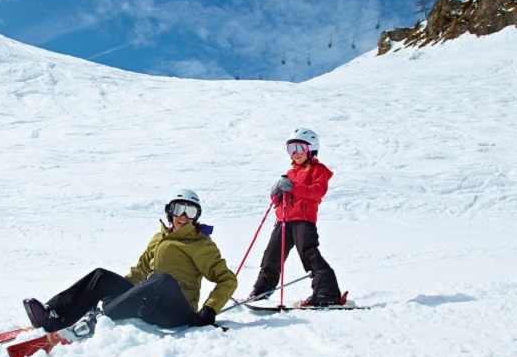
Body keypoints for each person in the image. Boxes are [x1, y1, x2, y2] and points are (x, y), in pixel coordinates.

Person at [24, 189, 237, 333]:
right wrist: (115, 292)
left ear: (196, 216)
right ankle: (54, 314)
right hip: (150, 303)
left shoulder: (200, 244)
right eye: (178, 209)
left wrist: (209, 309)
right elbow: (139, 272)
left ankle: (102, 316)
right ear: (169, 211)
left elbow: (227, 280)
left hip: (175, 311)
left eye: (190, 211)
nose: (183, 216)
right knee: (101, 276)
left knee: (163, 280)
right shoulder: (159, 238)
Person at [249, 128, 342, 307]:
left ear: (311, 149)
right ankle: (262, 289)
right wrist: (276, 193)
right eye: (290, 148)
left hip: (304, 220)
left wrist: (292, 187)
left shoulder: (318, 170)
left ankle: (326, 292)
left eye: (299, 148)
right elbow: (281, 199)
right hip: (283, 221)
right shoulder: (290, 173)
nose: (294, 153)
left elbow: (317, 192)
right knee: (271, 254)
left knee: (309, 253)